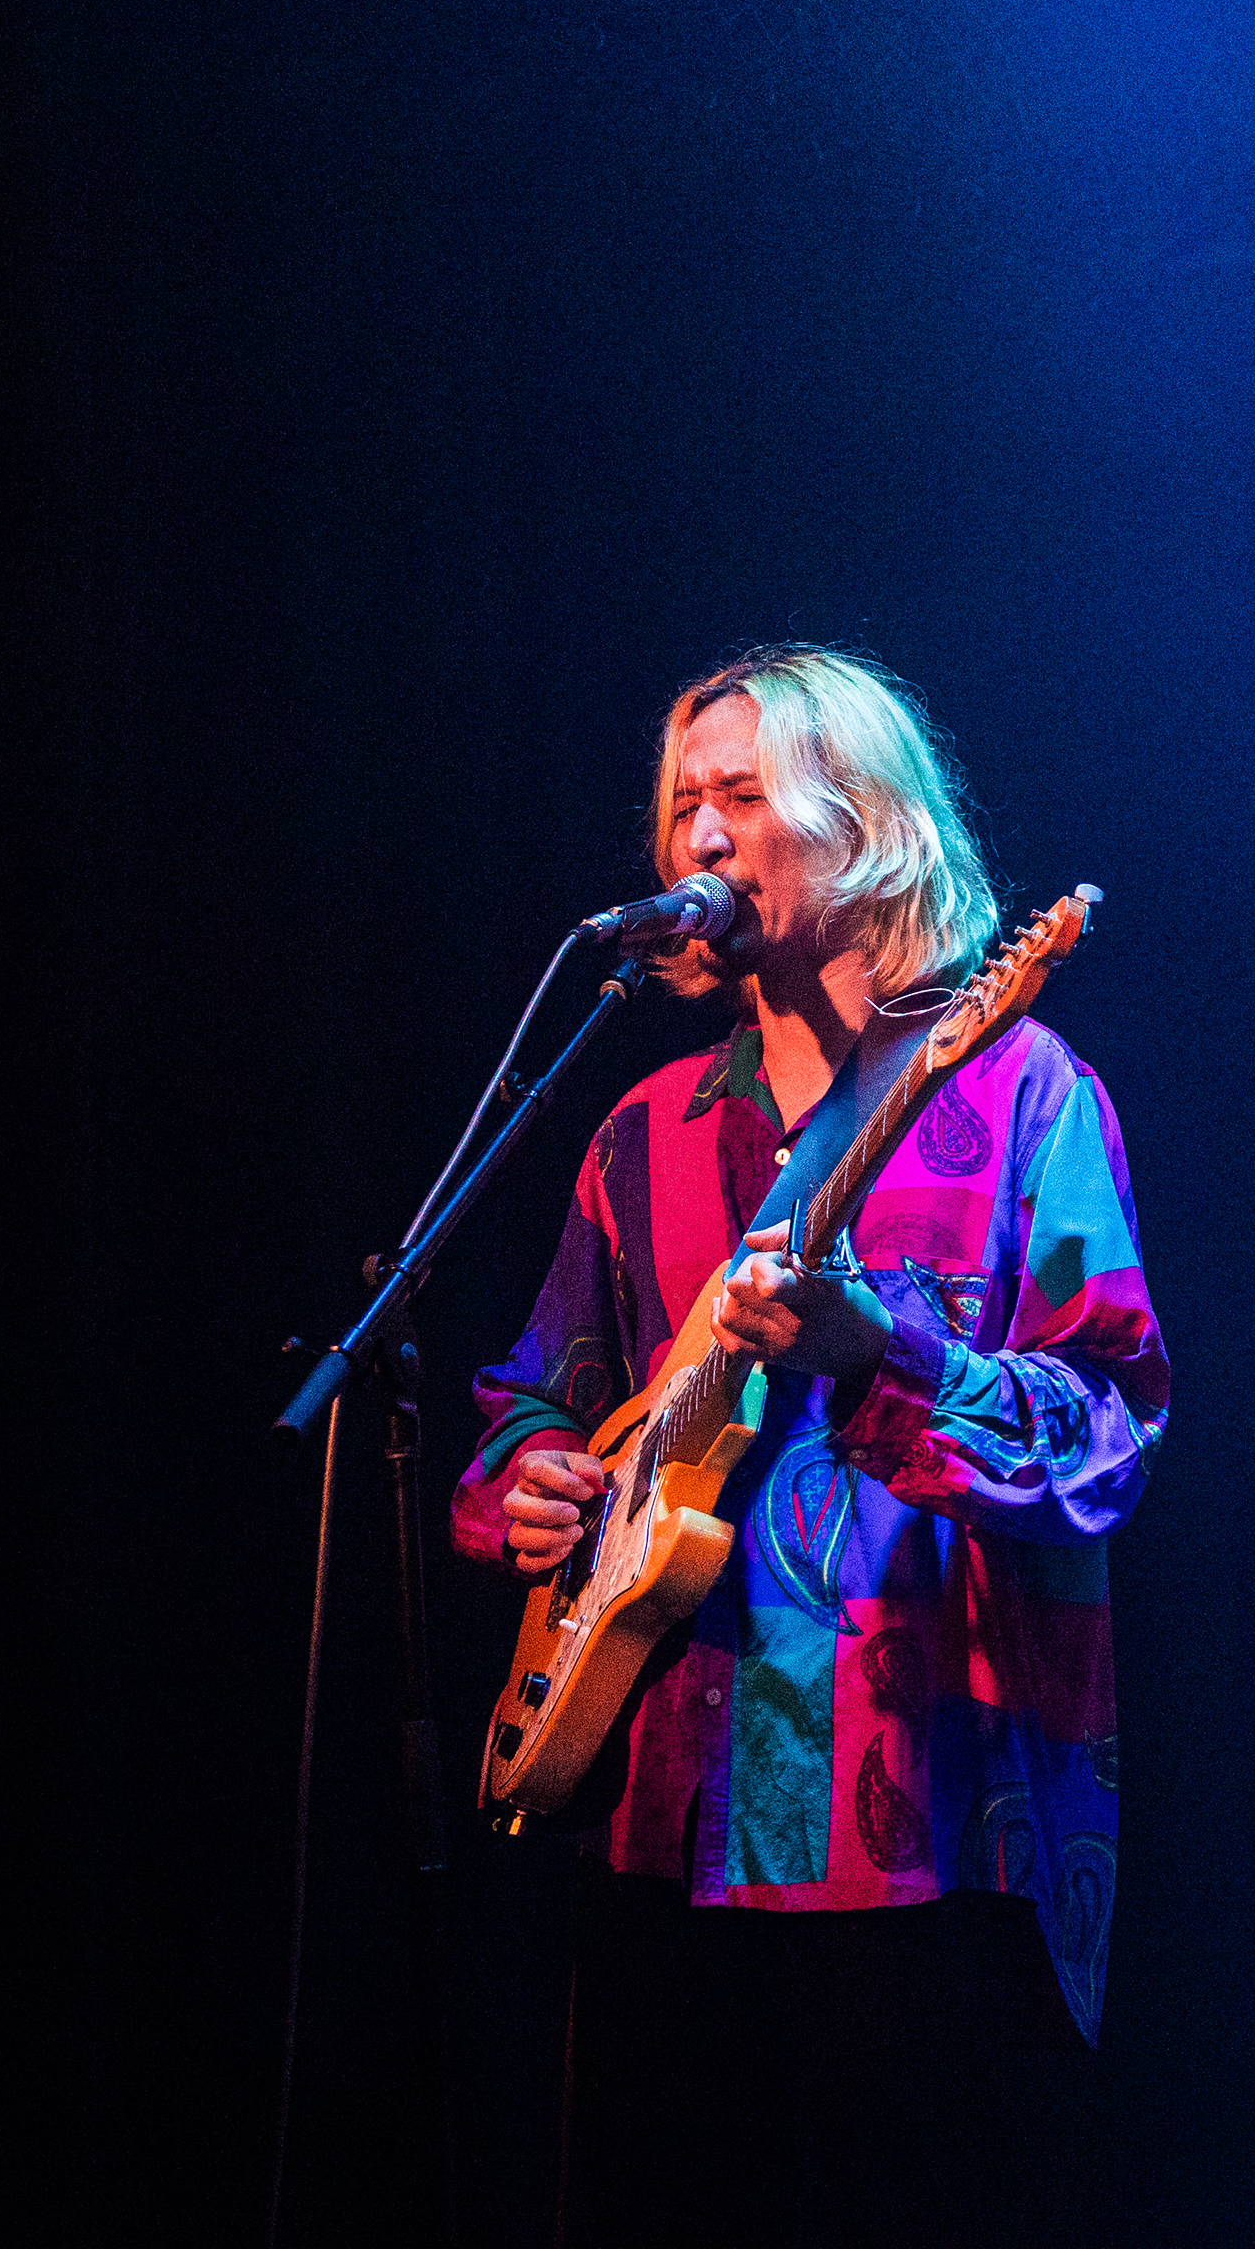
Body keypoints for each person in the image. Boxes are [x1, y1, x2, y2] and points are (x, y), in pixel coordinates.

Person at [451, 646, 1168, 2248]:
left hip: (919, 1822)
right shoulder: (642, 1132)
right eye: (679, 804)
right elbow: (532, 1391)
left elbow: (1109, 1439)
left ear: (862, 825)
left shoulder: (1019, 1093)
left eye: (741, 795)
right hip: (659, 1814)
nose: (696, 838)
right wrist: (536, 1480)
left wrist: (883, 1356)